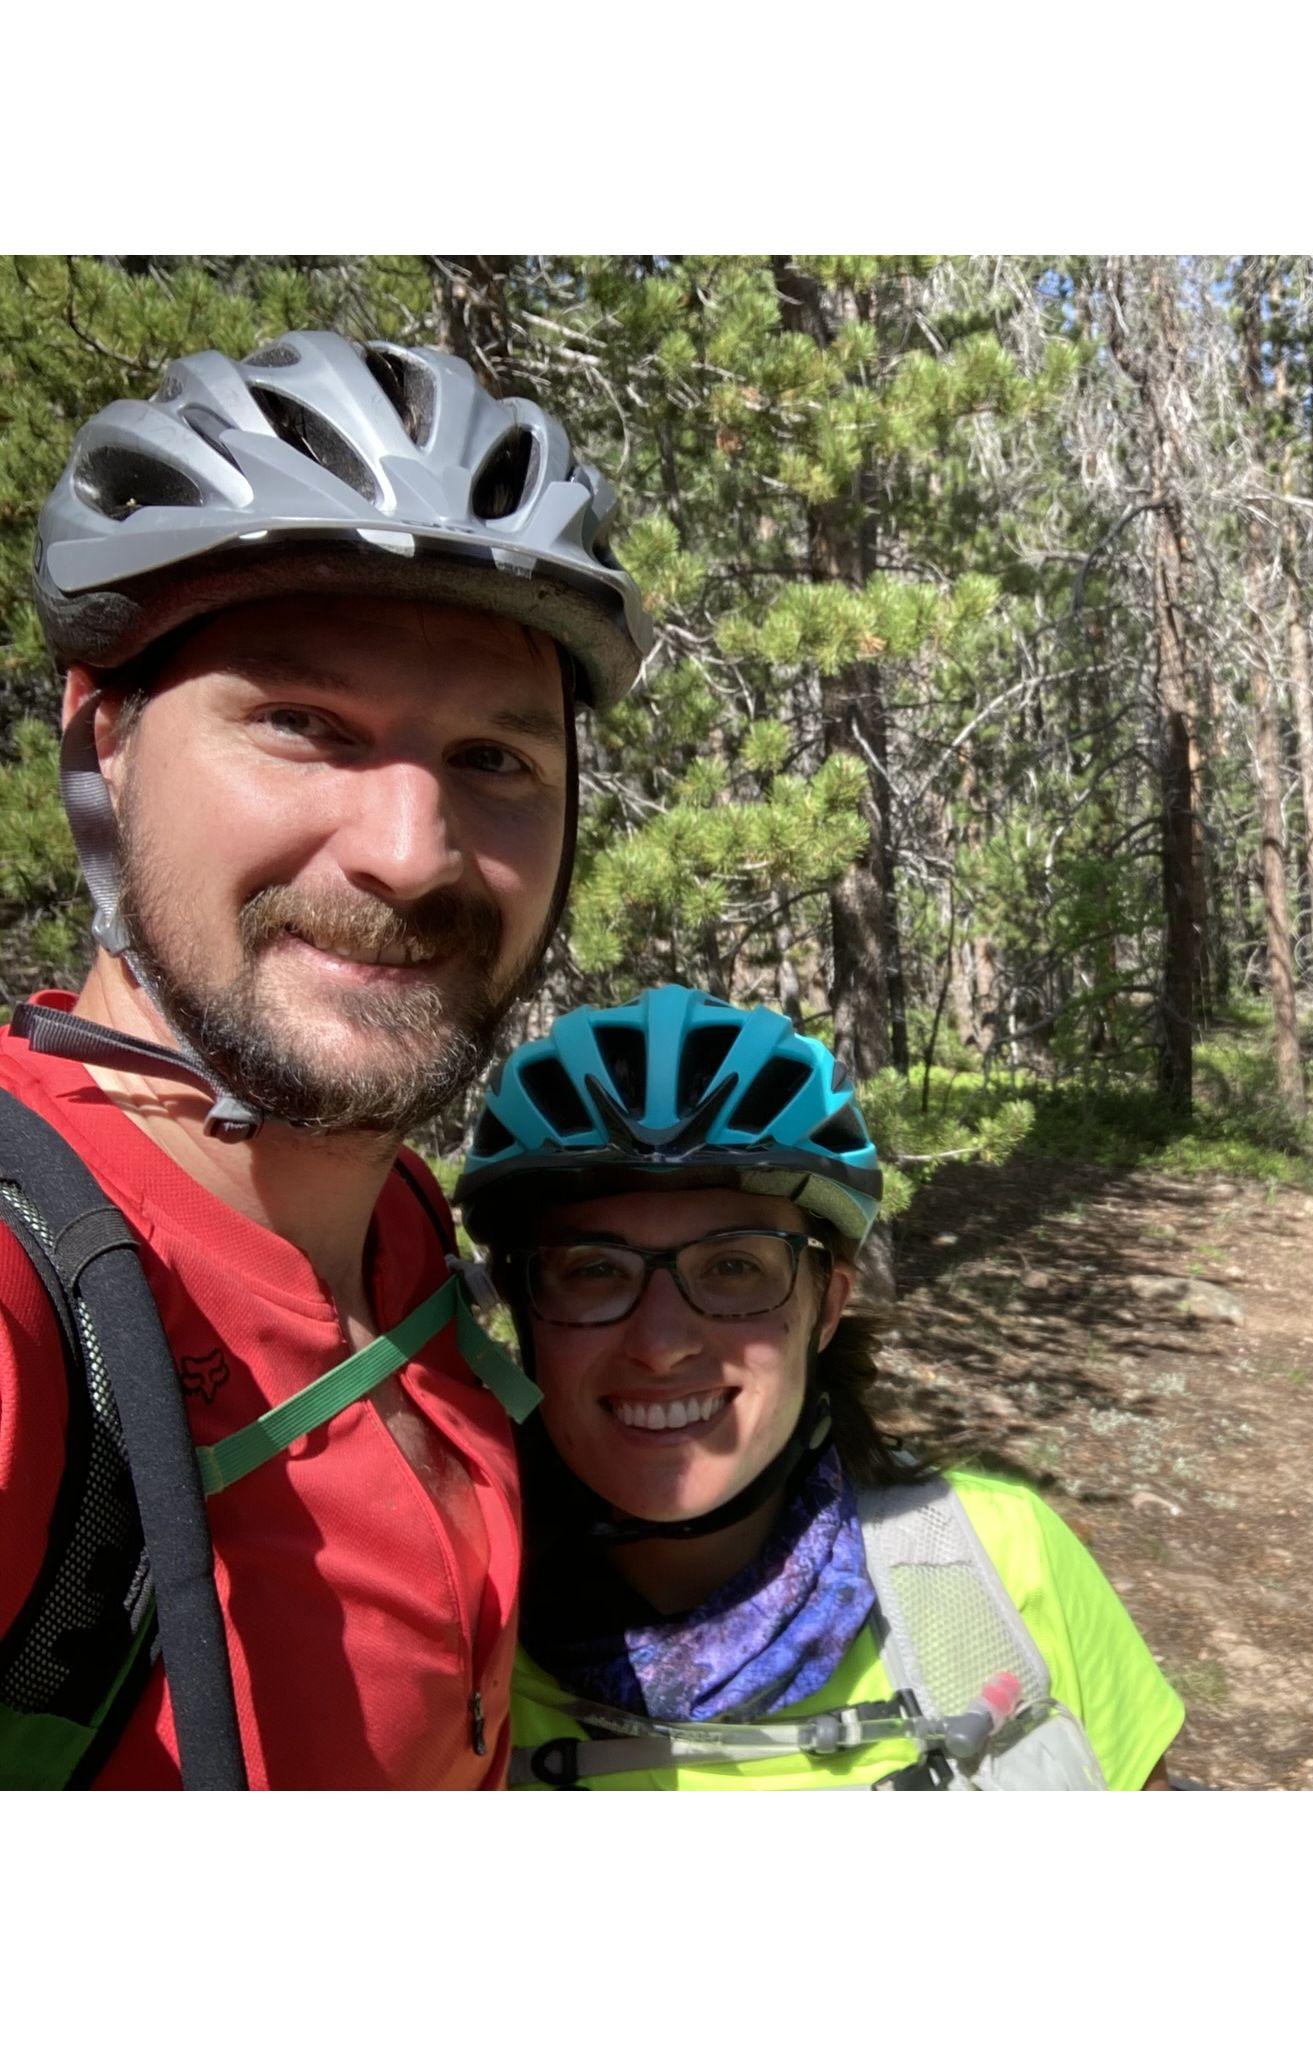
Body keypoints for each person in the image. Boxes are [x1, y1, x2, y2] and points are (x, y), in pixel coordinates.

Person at [0, 330, 652, 1787]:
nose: (410, 854)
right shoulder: (32, 1280)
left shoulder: (409, 1222)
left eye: (495, 759)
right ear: (103, 743)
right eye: (303, 725)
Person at [454, 983, 1187, 1790]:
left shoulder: (1001, 1565)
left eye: (733, 1266)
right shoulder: (445, 1626)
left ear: (826, 1307)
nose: (661, 1345)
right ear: (521, 1311)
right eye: (593, 1271)